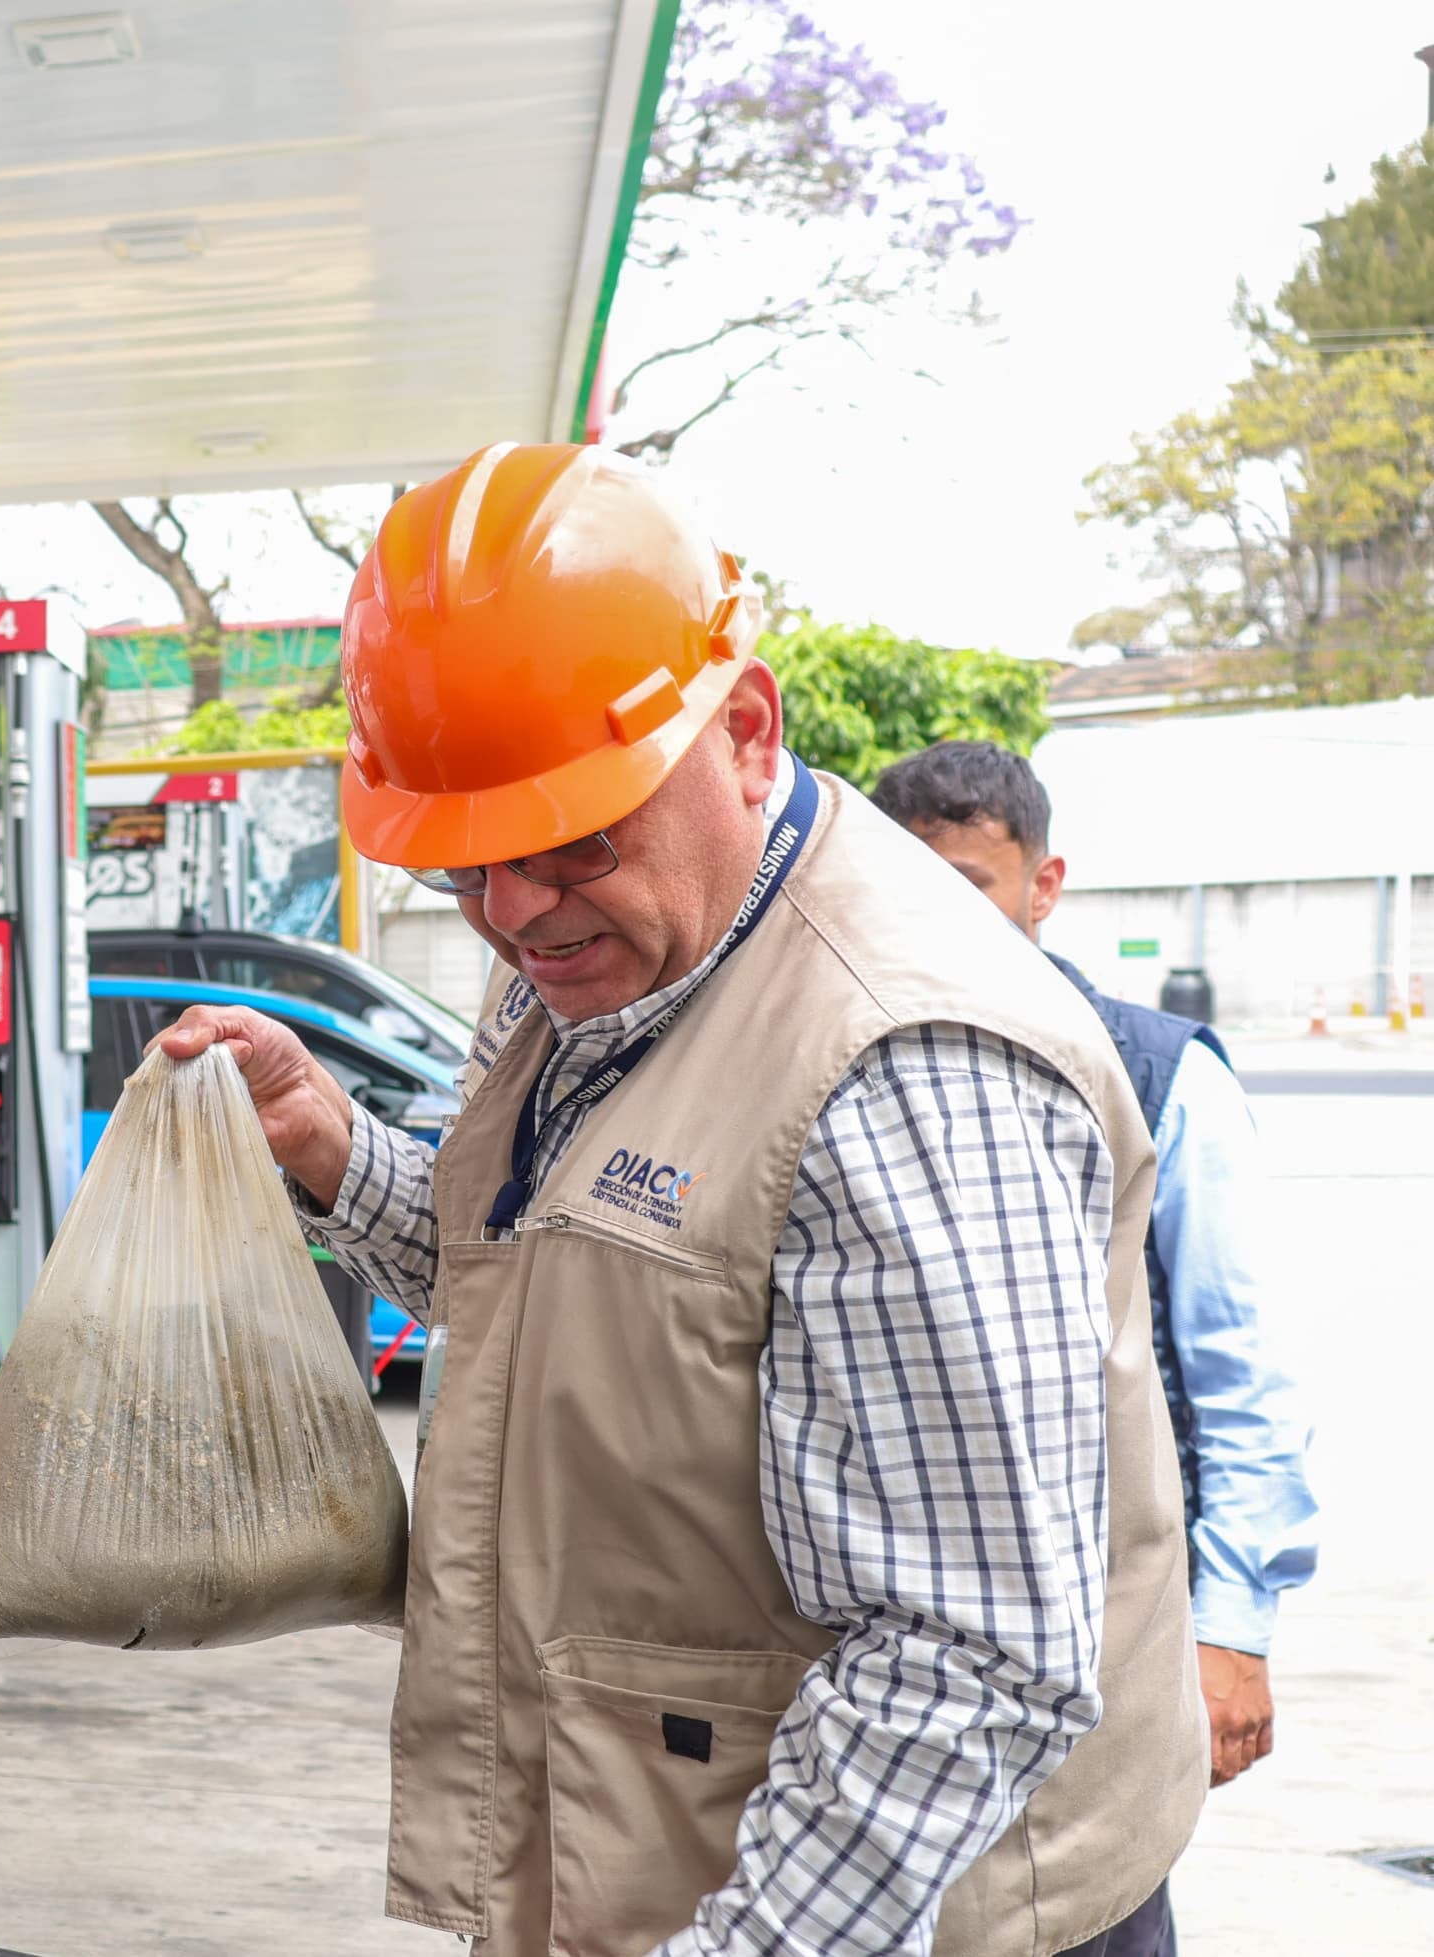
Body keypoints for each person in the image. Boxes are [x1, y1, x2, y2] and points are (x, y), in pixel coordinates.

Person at [157, 444, 1204, 1957]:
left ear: (747, 731)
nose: (513, 914)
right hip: (662, 1867)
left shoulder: (906, 1068)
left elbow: (966, 1661)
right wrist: (331, 1145)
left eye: (569, 839)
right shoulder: (629, 952)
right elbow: (577, 1280)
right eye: (466, 869)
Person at [874, 738, 1320, 1956]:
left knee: (1088, 1911)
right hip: (897, 1655)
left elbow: (1243, 1383)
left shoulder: (1161, 1076)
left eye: (965, 883)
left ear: (1042, 883)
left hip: (1109, 1641)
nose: (930, 917)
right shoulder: (855, 1057)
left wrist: (1233, 1630)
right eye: (902, 883)